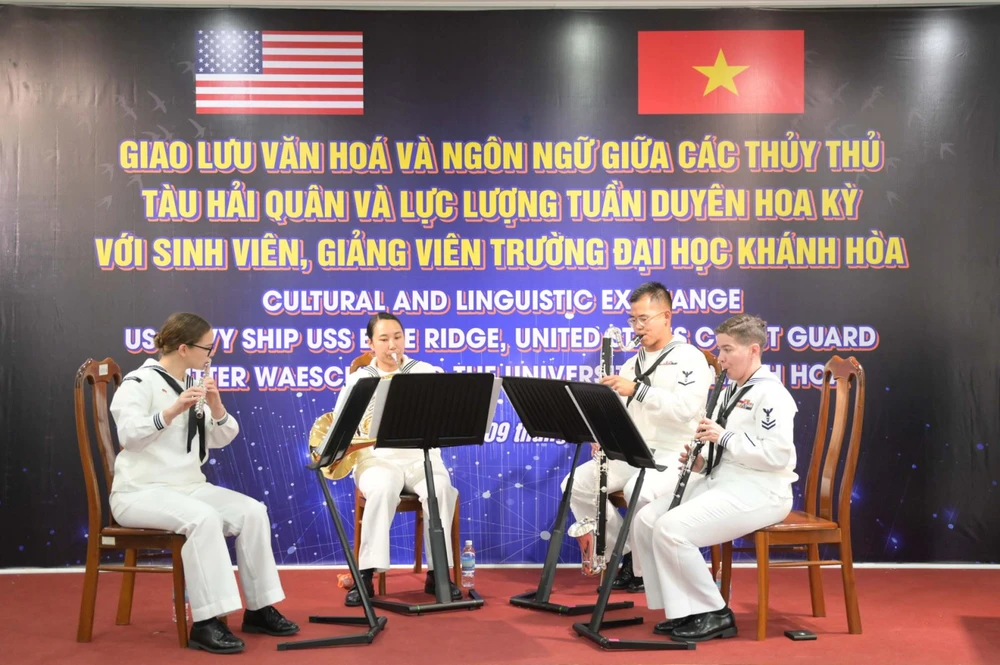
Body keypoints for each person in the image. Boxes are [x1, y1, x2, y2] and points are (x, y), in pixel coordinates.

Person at [109, 313, 298, 654]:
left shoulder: (188, 385)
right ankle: (207, 621)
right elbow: (130, 436)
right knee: (203, 518)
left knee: (253, 512)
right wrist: (171, 411)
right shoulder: (138, 383)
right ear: (183, 348)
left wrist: (215, 403)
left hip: (188, 485)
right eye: (207, 347)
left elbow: (222, 436)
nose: (212, 353)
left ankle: (258, 608)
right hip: (140, 491)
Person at [630, 314, 798, 642]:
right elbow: (723, 449)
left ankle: (715, 613)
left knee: (671, 529)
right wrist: (701, 462)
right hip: (723, 480)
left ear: (753, 350)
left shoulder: (771, 395)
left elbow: (777, 456)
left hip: (762, 489)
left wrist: (723, 438)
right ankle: (683, 609)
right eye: (719, 350)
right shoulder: (729, 389)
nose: (719, 359)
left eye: (727, 350)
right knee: (647, 520)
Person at [560, 282, 712, 592]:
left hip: (676, 455)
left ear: (666, 316)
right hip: (635, 452)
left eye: (644, 318)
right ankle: (629, 553)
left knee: (636, 490)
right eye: (633, 320)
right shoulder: (632, 363)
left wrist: (638, 390)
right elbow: (621, 413)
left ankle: (642, 571)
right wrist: (603, 433)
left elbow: (685, 409)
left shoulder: (690, 358)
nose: (637, 327)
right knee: (575, 484)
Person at [320, 312, 462, 606]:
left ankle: (438, 574)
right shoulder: (360, 380)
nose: (392, 344)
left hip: (421, 456)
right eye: (383, 339)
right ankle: (366, 575)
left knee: (441, 492)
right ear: (370, 343)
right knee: (383, 490)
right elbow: (340, 426)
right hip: (376, 458)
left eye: (397, 337)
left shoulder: (426, 372)